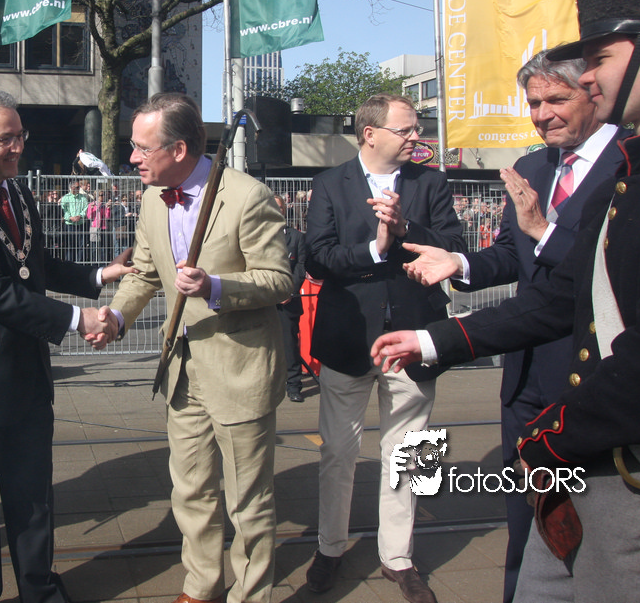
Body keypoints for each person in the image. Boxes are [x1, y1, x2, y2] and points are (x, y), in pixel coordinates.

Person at [371, 0, 640, 603]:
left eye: (601, 58)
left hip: (639, 469)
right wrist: (433, 338)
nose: (590, 80)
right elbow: (559, 294)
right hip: (572, 439)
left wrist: (553, 434)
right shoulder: (637, 167)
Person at [396, 51, 624, 602]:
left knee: (596, 530)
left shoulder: (632, 162)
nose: (542, 115)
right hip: (524, 379)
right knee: (524, 522)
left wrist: (545, 231)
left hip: (591, 378)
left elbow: (607, 268)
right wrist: (459, 263)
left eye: (556, 100)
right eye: (533, 103)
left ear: (593, 92)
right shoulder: (534, 167)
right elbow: (511, 254)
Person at [0, 89, 134, 603]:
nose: (18, 147)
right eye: (6, 139)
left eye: (21, 136)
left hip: (25, 378)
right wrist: (79, 319)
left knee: (33, 501)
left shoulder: (15, 192)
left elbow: (35, 264)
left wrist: (99, 274)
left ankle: (40, 590)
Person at [106, 92, 293, 603]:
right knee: (191, 491)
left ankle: (251, 595)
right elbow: (145, 272)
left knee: (248, 502)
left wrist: (216, 287)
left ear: (179, 149)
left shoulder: (247, 196)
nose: (132, 157)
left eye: (142, 148)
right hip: (181, 370)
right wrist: (117, 317)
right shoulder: (151, 198)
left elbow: (279, 279)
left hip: (239, 371)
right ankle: (202, 585)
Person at [302, 93, 464, 603]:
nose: (417, 136)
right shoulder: (330, 184)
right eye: (406, 129)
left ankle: (398, 557)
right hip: (349, 337)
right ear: (370, 133)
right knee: (338, 451)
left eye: (417, 128)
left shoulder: (430, 183)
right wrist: (375, 248)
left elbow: (454, 246)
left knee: (409, 452)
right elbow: (318, 257)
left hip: (414, 337)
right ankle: (330, 547)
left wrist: (404, 228)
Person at [274, 194, 307, 402]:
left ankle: (293, 385)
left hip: (288, 301)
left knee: (289, 346)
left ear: (284, 210)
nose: (276, 210)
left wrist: (289, 290)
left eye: (279, 206)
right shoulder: (258, 235)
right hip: (265, 302)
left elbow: (301, 267)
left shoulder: (296, 237)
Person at [59, 181, 89, 262]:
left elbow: (85, 208)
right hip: (70, 225)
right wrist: (70, 217)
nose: (79, 189)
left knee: (81, 246)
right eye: (77, 187)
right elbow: (64, 210)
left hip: (80, 224)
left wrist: (80, 216)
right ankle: (69, 263)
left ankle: (79, 263)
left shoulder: (83, 198)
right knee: (70, 245)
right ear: (72, 188)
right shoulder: (66, 198)